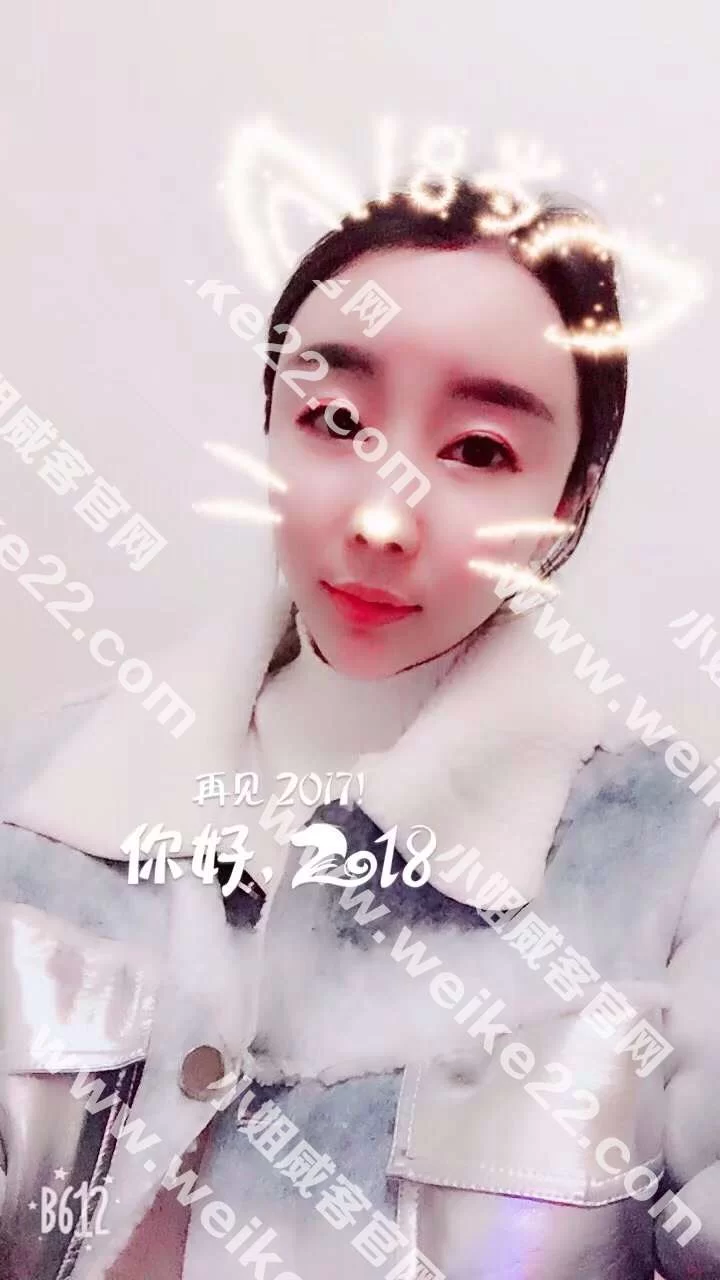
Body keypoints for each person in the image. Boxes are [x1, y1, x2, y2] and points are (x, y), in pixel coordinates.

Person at [0, 181, 717, 1280]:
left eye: (479, 450)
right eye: (337, 422)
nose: (382, 517)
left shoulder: (670, 866)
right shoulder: (37, 798)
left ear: (569, 500)